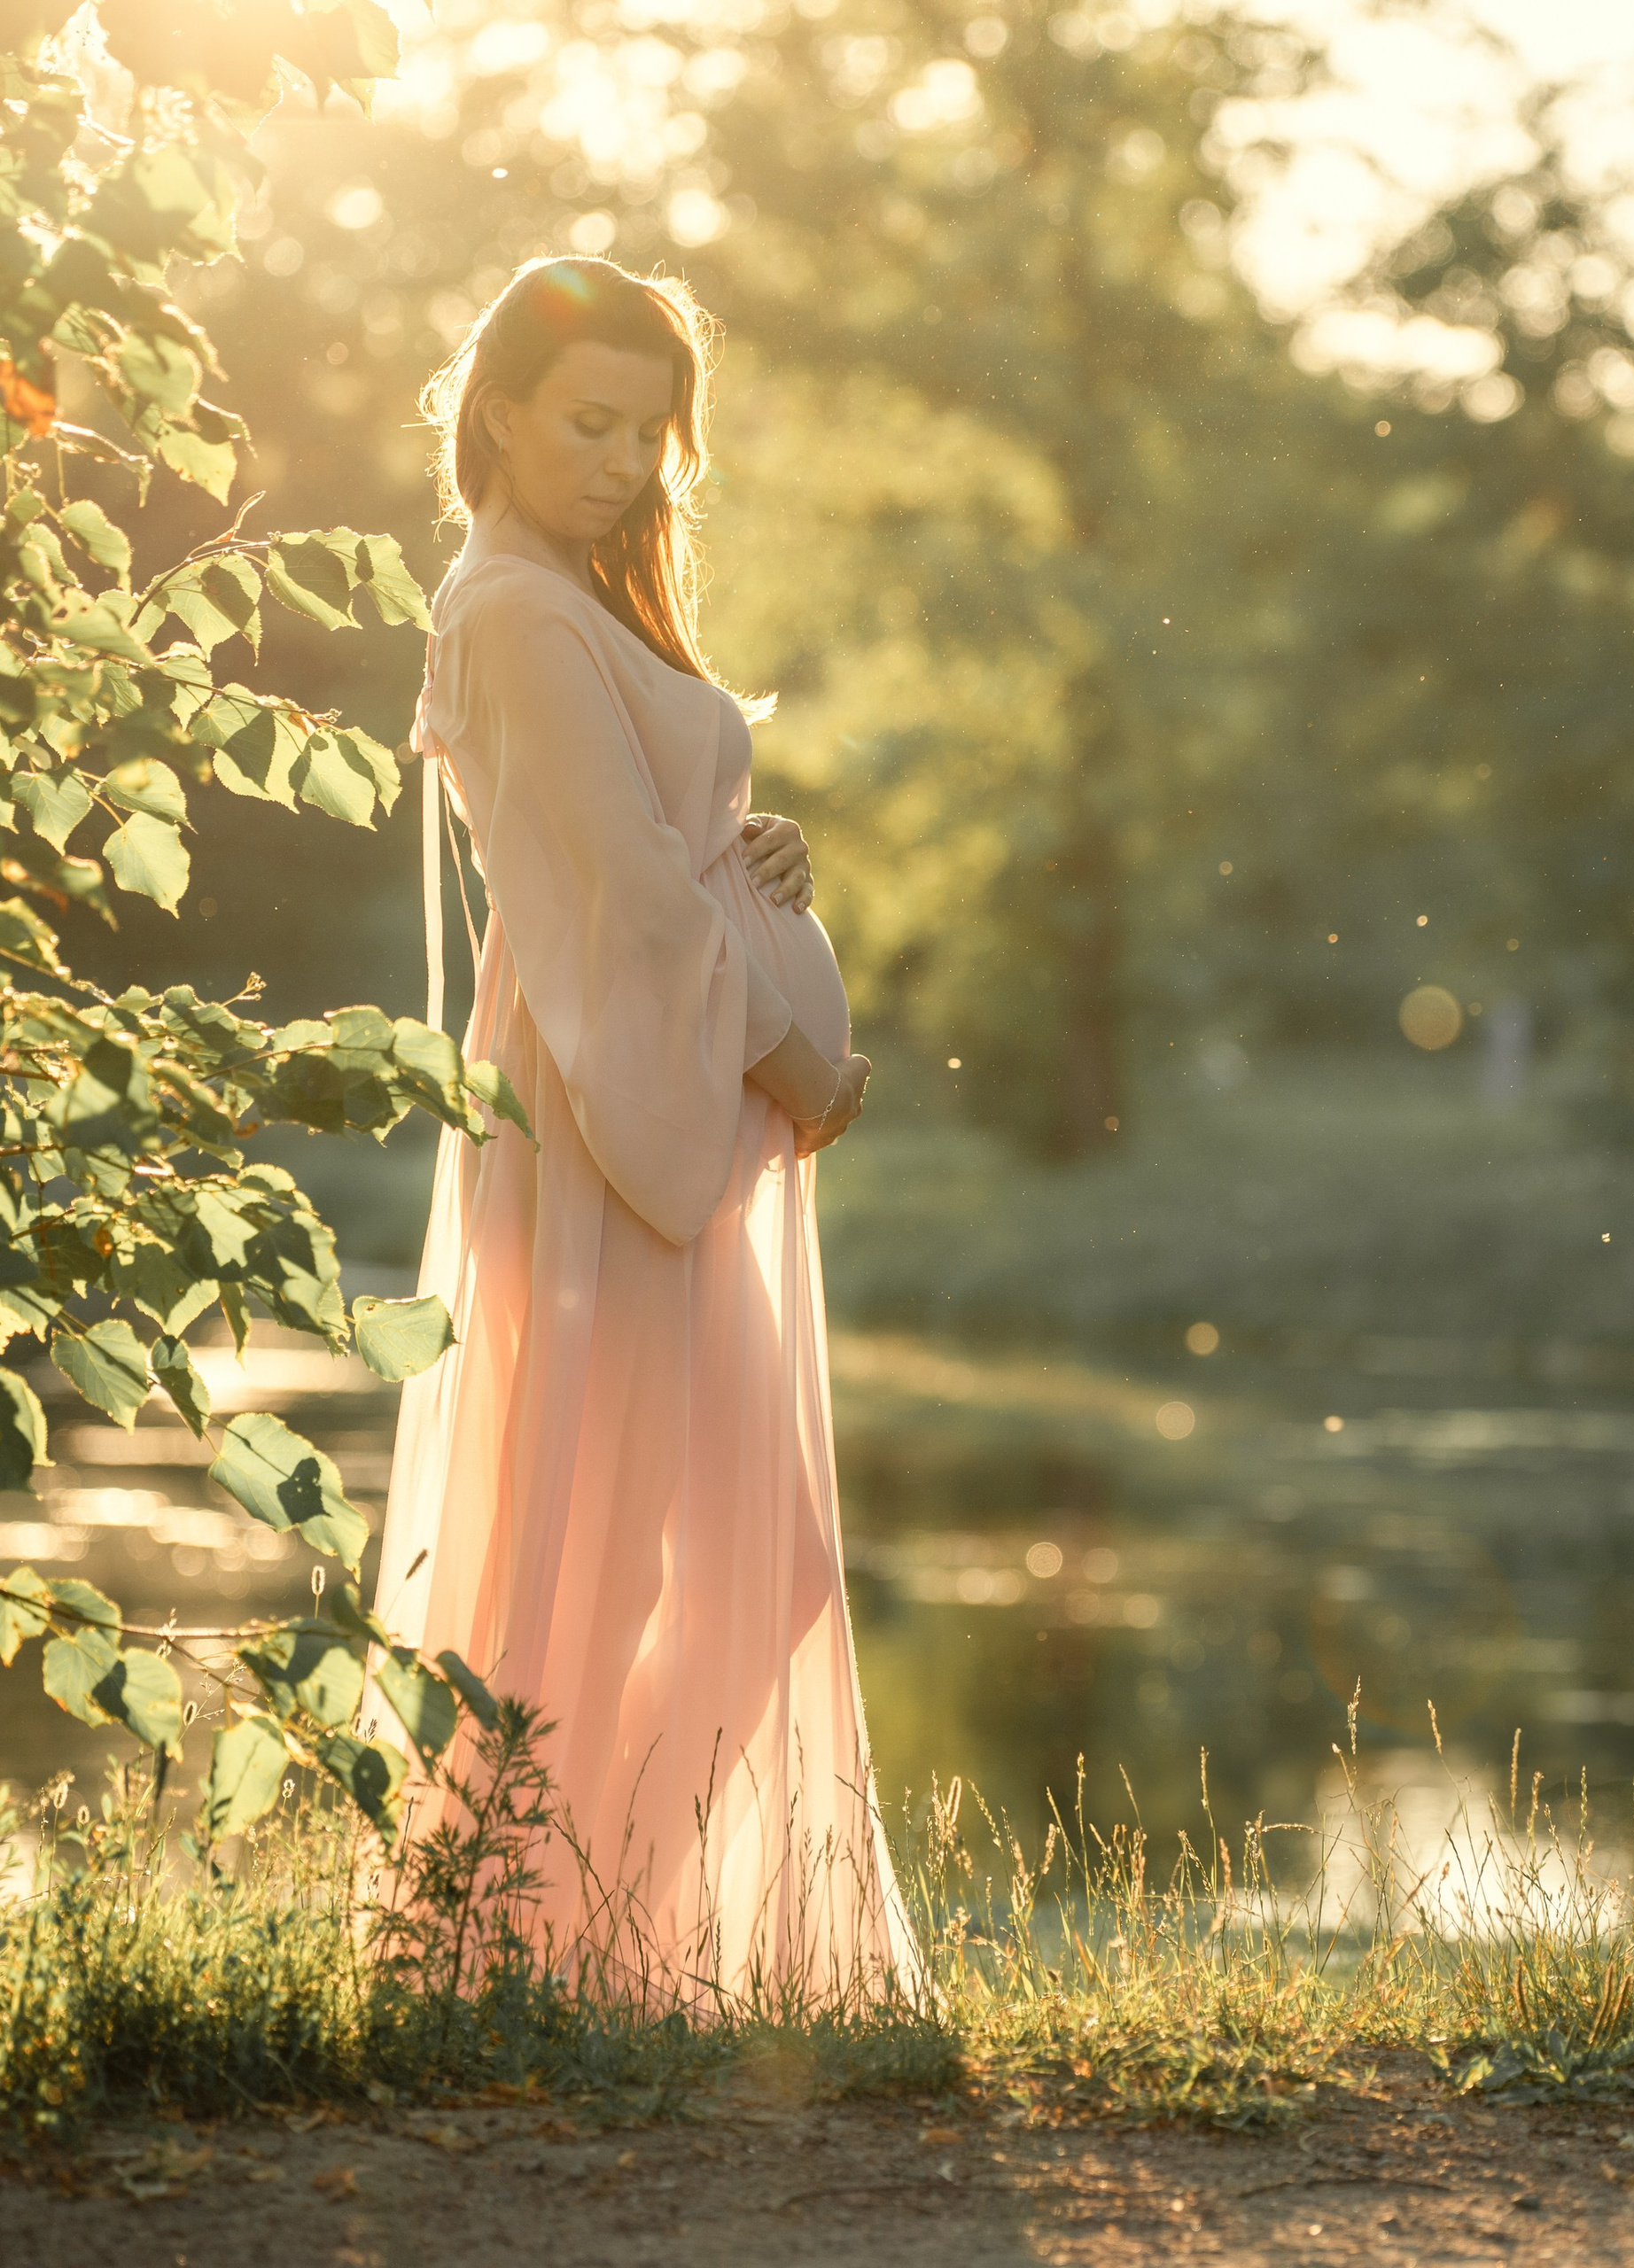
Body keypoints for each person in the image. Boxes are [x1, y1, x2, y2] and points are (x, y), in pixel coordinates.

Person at [373, 254, 918, 2011]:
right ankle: (527, 1936)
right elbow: (619, 906)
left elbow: (667, 853)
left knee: (637, 1546)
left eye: (646, 427)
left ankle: (554, 1937)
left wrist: (768, 860)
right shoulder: (517, 610)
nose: (618, 457)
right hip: (607, 1095)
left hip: (636, 1063)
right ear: (500, 413)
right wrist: (793, 1064)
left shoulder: (574, 597)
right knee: (608, 1547)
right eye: (584, 420)